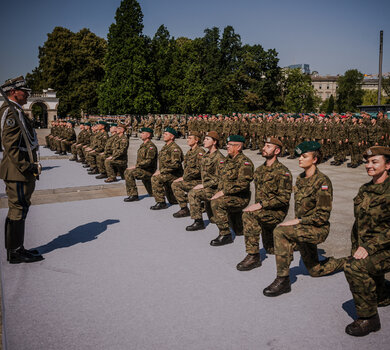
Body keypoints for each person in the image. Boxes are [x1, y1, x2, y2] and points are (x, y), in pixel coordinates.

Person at [263, 141, 346, 297]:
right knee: (316, 270)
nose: (300, 158)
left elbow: (322, 216)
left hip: (317, 229)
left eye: (304, 156)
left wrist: (298, 221)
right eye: (300, 156)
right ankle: (348, 262)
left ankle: (283, 280)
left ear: (314, 159)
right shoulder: (301, 179)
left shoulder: (322, 182)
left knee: (280, 232)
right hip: (304, 228)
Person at [343, 146, 390, 337]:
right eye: (367, 162)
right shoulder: (365, 189)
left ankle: (369, 318)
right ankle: (382, 295)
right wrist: (358, 246)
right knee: (361, 262)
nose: (368, 165)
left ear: (388, 165)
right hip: (371, 247)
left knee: (353, 267)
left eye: (374, 162)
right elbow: (360, 223)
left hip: (385, 247)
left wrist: (368, 247)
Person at [0, 76, 44, 263]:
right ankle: (15, 251)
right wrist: (28, 167)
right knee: (17, 209)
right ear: (12, 92)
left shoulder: (15, 110)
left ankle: (17, 248)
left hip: (19, 169)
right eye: (23, 91)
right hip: (18, 170)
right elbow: (11, 146)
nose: (27, 94)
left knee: (20, 208)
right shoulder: (10, 112)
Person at [237, 137, 292, 271]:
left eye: (268, 146)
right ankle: (292, 243)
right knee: (271, 248)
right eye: (264, 145)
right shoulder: (260, 170)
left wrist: (261, 204)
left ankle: (253, 256)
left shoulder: (283, 172)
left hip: (276, 211)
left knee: (249, 215)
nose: (263, 148)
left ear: (277, 151)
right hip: (263, 210)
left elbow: (284, 198)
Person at [209, 135, 254, 246]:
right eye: (227, 145)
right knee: (212, 196)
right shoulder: (227, 160)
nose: (227, 147)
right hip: (229, 195)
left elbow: (243, 184)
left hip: (240, 197)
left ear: (238, 147)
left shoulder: (245, 163)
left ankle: (225, 234)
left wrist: (223, 192)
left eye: (230, 145)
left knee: (217, 203)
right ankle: (237, 226)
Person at [186, 131, 225, 231]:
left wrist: (204, 185)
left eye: (207, 139)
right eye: (204, 139)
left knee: (193, 193)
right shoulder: (206, 155)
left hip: (215, 189)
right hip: (208, 187)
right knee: (213, 219)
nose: (204, 141)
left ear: (214, 142)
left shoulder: (219, 158)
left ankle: (198, 222)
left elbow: (220, 178)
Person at [171, 132, 204, 218]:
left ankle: (189, 208)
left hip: (198, 181)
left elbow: (199, 170)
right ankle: (185, 208)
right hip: (190, 179)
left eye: (190, 138)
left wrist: (184, 178)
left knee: (176, 185)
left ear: (196, 140)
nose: (187, 140)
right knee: (175, 183)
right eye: (187, 138)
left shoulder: (200, 152)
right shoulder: (189, 152)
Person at [150, 127, 184, 210]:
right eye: (164, 134)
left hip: (174, 174)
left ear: (172, 137)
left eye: (166, 134)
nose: (163, 135)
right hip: (168, 173)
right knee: (173, 200)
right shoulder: (166, 147)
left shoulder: (174, 149)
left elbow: (175, 165)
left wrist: (161, 171)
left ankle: (161, 202)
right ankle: (175, 199)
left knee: (155, 178)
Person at [123, 127, 157, 202]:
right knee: (129, 171)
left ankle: (133, 195)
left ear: (148, 135)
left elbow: (148, 161)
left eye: (143, 133)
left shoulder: (151, 147)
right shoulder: (143, 145)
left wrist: (136, 166)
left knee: (129, 172)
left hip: (148, 171)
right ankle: (152, 192)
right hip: (143, 169)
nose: (141, 134)